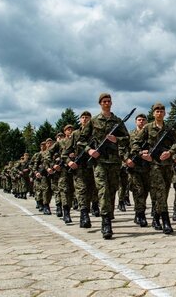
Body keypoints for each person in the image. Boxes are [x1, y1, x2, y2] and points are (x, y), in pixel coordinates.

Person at [78, 93, 130, 240]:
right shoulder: (93, 121)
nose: (107, 103)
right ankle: (105, 223)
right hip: (99, 161)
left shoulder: (117, 121)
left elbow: (127, 139)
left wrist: (116, 139)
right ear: (100, 104)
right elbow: (81, 140)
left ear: (111, 103)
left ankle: (109, 214)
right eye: (104, 101)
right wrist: (90, 150)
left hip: (114, 162)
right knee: (103, 190)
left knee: (113, 189)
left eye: (109, 101)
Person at [130, 102, 176, 234]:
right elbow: (135, 144)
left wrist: (170, 152)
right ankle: (166, 222)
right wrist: (142, 153)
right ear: (153, 113)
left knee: (163, 194)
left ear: (164, 113)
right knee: (161, 191)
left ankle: (156, 218)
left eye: (162, 111)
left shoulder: (169, 129)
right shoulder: (147, 128)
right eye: (157, 111)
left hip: (167, 165)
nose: (159, 113)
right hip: (153, 166)